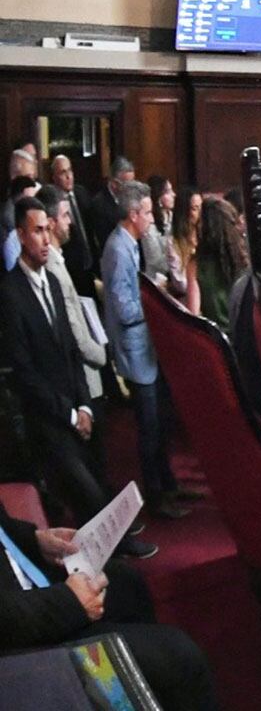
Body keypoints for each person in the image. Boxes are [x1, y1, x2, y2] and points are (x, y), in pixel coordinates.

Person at [0, 498, 217, 710]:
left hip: (23, 593)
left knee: (124, 580)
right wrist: (69, 603)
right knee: (176, 656)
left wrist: (33, 540)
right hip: (15, 651)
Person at [0, 200, 123, 544]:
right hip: (47, 420)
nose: (46, 239)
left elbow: (71, 352)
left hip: (75, 408)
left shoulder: (54, 282)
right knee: (90, 499)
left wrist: (84, 405)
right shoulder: (10, 293)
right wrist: (70, 415)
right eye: (38, 231)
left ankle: (99, 568)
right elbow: (23, 372)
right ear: (22, 236)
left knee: (96, 494)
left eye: (48, 230)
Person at [99, 182, 191, 519]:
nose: (152, 219)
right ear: (134, 214)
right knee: (149, 427)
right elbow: (124, 311)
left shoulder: (130, 244)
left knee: (161, 421)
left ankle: (167, 484)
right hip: (136, 352)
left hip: (146, 349)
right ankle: (156, 497)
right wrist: (154, 300)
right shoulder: (119, 250)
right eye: (148, 212)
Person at [34, 188, 110, 403]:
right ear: (50, 223)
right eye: (65, 215)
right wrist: (100, 354)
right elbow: (72, 327)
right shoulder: (51, 266)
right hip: (82, 374)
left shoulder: (58, 259)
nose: (71, 222)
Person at [194, 195, 249, 331]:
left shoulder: (195, 264)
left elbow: (193, 314)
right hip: (243, 338)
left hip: (215, 341)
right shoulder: (243, 258)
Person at [47, 154, 96, 291]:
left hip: (90, 266)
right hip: (70, 268)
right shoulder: (53, 202)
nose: (69, 176)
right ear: (54, 177)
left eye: (70, 170)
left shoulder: (82, 193)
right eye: (63, 172)